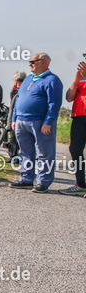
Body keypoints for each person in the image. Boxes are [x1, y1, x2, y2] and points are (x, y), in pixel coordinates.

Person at [10, 53, 63, 193]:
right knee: (25, 152)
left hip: (40, 121)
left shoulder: (52, 80)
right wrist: (14, 119)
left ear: (44, 62)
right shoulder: (28, 79)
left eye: (33, 61)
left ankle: (43, 182)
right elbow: (18, 99)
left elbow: (54, 104)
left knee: (45, 153)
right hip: (22, 121)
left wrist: (48, 122)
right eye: (30, 61)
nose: (30, 64)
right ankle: (26, 179)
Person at [60, 53, 86, 196]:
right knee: (75, 149)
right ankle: (81, 184)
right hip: (79, 117)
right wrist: (76, 80)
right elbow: (69, 98)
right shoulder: (81, 76)